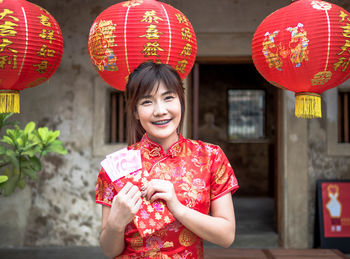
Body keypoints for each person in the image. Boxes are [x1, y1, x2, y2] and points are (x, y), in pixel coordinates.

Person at [95, 62, 239, 258]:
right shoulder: (116, 166)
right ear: (135, 111)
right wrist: (115, 224)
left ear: (181, 100)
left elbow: (226, 236)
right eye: (147, 101)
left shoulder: (210, 157)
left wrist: (177, 208)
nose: (160, 110)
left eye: (168, 97)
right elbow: (110, 250)